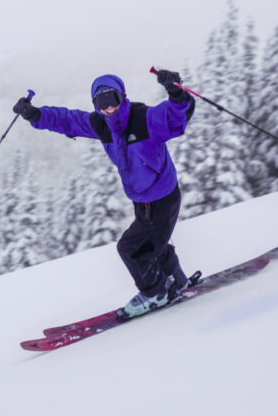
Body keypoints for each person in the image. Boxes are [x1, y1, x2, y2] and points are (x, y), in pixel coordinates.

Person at [13, 69, 198, 319]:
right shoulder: (103, 126)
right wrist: (35, 114)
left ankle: (155, 292)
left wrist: (176, 93)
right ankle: (177, 281)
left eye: (112, 100)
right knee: (153, 244)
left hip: (162, 198)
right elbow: (68, 120)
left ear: (122, 96)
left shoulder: (144, 118)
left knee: (130, 248)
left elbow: (175, 119)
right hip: (142, 201)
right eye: (101, 103)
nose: (108, 108)